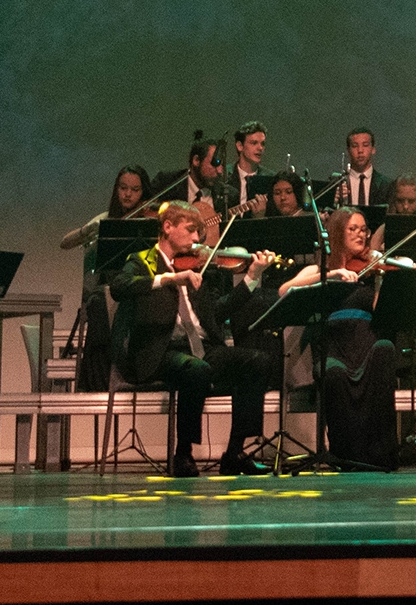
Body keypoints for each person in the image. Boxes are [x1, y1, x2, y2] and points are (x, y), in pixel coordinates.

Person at [107, 201, 279, 476]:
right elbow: (119, 287)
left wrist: (251, 277)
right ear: (167, 227)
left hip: (200, 347)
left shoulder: (195, 265)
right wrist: (168, 279)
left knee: (258, 360)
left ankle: (235, 452)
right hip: (160, 350)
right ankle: (183, 454)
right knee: (195, 370)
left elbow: (216, 312)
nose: (197, 238)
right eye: (190, 230)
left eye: (198, 232)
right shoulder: (141, 261)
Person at [279, 208, 401, 470]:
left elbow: (380, 311)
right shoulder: (319, 268)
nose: (360, 234)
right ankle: (345, 453)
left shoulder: (371, 268)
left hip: (366, 340)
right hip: (333, 345)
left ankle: (378, 453)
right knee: (333, 372)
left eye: (364, 229)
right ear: (337, 233)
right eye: (352, 229)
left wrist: (383, 280)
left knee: (385, 348)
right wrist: (331, 275)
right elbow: (284, 290)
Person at [59, 165, 151, 390]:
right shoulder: (107, 219)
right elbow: (65, 243)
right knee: (99, 303)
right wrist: (89, 229)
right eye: (123, 188)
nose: (127, 194)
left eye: (135, 190)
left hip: (138, 289)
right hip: (109, 292)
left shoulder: (149, 221)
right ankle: (98, 383)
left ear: (144, 192)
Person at [161, 136, 223, 208]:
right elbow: (151, 208)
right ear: (196, 160)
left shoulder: (226, 194)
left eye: (221, 164)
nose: (220, 171)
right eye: (214, 164)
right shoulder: (167, 184)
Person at [222, 122, 269, 217]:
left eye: (263, 144)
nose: (260, 148)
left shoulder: (269, 179)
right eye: (254, 143)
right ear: (240, 146)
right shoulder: (224, 175)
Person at [339, 129, 387, 208]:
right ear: (348, 150)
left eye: (365, 145)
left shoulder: (385, 185)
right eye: (355, 146)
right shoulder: (338, 184)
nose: (360, 150)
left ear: (373, 149)